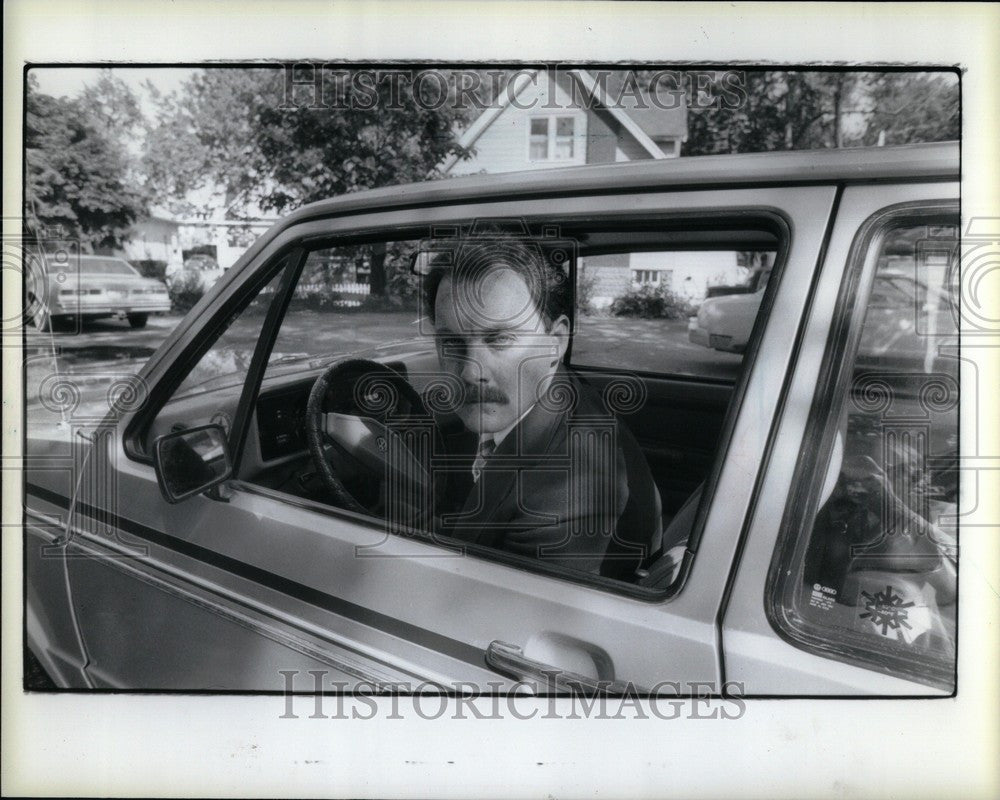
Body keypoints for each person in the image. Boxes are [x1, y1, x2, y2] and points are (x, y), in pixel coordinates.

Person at [421, 230, 662, 581]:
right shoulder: (558, 397)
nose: (472, 372)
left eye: (500, 339)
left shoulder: (560, 505)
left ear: (555, 343)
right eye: (452, 342)